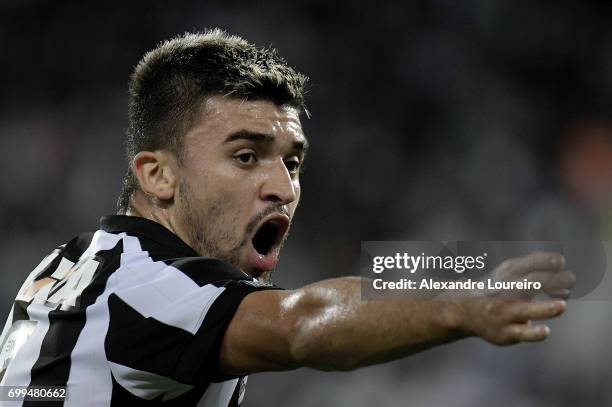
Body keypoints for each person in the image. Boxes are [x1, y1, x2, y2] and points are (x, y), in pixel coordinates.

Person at [0, 29, 574, 406]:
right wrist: (453, 298)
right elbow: (302, 322)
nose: (282, 187)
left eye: (292, 162)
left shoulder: (66, 267)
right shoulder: (152, 290)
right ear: (158, 175)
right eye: (245, 157)